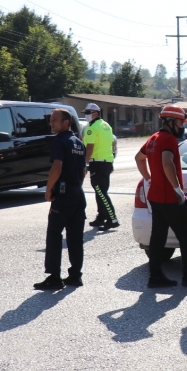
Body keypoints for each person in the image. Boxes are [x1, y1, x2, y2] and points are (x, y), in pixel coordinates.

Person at [135, 106, 187, 289]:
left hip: (156, 196)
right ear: (170, 122)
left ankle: (155, 276)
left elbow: (139, 158)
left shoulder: (153, 138)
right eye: (180, 122)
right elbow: (167, 162)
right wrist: (177, 189)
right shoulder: (168, 140)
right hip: (170, 197)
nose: (182, 126)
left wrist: (148, 178)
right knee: (185, 235)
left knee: (158, 237)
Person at [35, 109, 87, 290]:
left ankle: (54, 277)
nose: (52, 123)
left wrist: (49, 190)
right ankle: (75, 276)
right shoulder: (79, 143)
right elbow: (83, 171)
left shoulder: (60, 141)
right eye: (51, 120)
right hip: (77, 195)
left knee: (54, 235)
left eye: (56, 120)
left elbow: (56, 167)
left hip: (63, 196)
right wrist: (75, 187)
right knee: (75, 237)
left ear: (66, 123)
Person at [82, 103, 119, 231]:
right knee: (101, 191)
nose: (86, 115)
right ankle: (101, 217)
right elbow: (111, 145)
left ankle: (112, 218)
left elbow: (90, 147)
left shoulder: (92, 127)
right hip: (107, 162)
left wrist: (85, 163)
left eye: (88, 112)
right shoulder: (106, 125)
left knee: (101, 192)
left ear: (96, 113)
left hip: (97, 163)